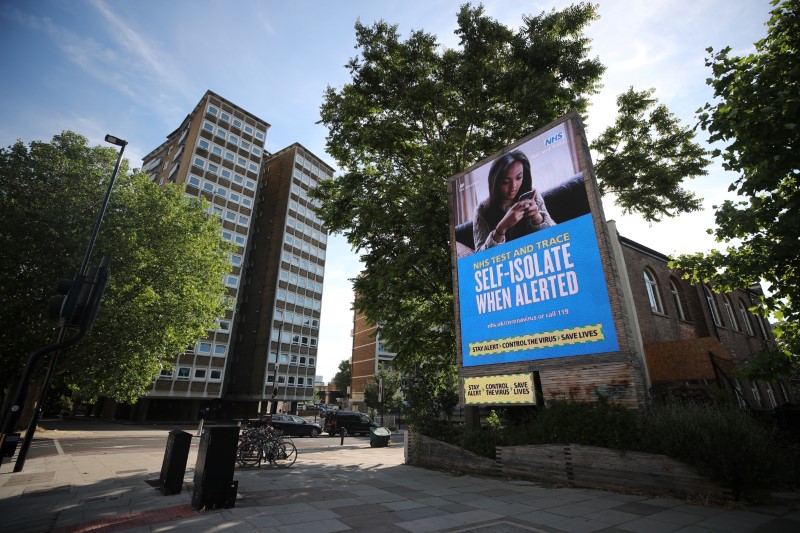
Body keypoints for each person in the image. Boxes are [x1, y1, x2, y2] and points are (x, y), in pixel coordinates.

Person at [473, 150, 555, 251]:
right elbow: (479, 258)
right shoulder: (481, 210)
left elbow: (556, 235)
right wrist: (501, 228)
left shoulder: (533, 197)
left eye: (519, 178)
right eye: (505, 182)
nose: (513, 186)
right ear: (495, 182)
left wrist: (537, 218)